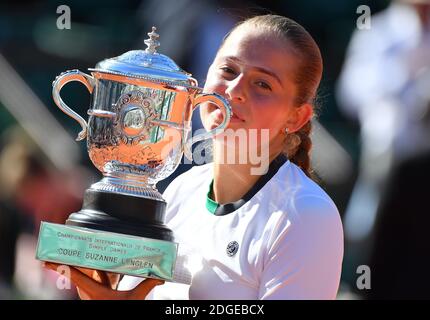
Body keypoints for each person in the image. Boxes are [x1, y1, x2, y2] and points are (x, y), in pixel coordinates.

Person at [44, 14, 344, 300]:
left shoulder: (307, 216)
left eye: (263, 84)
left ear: (297, 117)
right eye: (228, 70)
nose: (234, 90)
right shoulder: (180, 190)